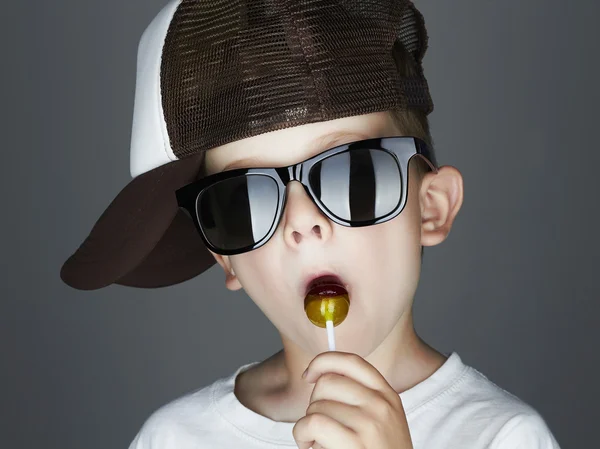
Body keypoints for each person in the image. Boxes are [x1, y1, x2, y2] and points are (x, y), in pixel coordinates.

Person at [60, 1, 561, 448]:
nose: (301, 222)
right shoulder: (173, 439)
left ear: (430, 207)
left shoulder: (503, 437)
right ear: (224, 256)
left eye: (350, 175)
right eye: (246, 200)